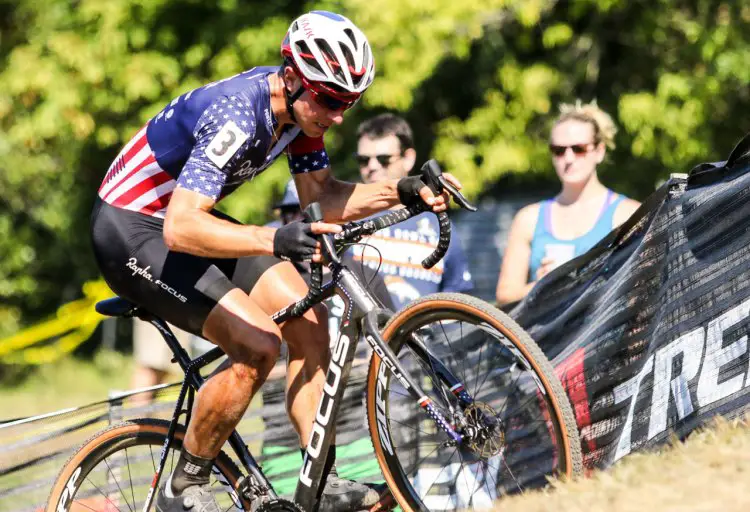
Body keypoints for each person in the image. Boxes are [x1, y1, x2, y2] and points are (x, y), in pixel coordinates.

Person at [90, 10, 459, 512]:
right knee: (259, 344)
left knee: (308, 321)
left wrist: (400, 191)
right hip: (131, 231)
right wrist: (272, 239)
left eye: (349, 102)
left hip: (179, 219)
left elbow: (323, 196)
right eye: (330, 100)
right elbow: (180, 228)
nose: (338, 116)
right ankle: (184, 484)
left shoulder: (298, 115)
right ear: (291, 77)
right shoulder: (238, 114)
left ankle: (319, 482)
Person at [495, 100, 641, 306]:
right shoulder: (529, 218)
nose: (568, 158)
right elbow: (505, 296)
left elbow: (640, 291)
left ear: (599, 151)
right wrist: (543, 284)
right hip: (541, 337)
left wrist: (576, 278)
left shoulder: (628, 214)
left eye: (579, 149)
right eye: (559, 150)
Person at [350, 113, 474, 309]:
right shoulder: (345, 216)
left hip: (423, 337)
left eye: (383, 159)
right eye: (363, 160)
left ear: (408, 158)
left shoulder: (439, 225)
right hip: (361, 336)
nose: (372, 167)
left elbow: (459, 303)